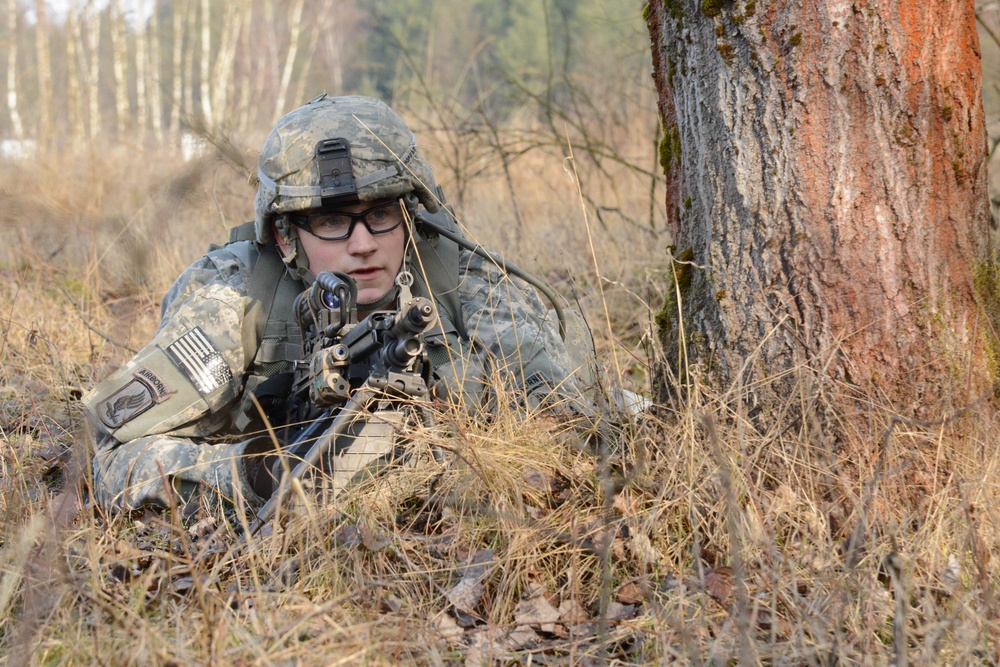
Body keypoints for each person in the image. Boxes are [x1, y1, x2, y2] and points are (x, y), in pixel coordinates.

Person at [81, 94, 603, 515]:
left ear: (412, 216)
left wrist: (432, 460)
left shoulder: (466, 281)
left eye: (380, 214)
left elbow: (574, 434)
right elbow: (109, 454)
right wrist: (258, 476)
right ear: (286, 236)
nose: (362, 243)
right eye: (331, 222)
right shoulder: (238, 295)